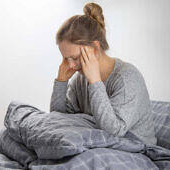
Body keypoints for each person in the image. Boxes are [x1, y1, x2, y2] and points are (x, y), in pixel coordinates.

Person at [50, 2, 157, 145]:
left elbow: (114, 130)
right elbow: (59, 122)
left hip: (135, 148)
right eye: (65, 58)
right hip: (102, 146)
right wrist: (61, 82)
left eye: (75, 58)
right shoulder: (80, 80)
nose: (71, 65)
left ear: (94, 47)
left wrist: (95, 81)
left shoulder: (127, 78)